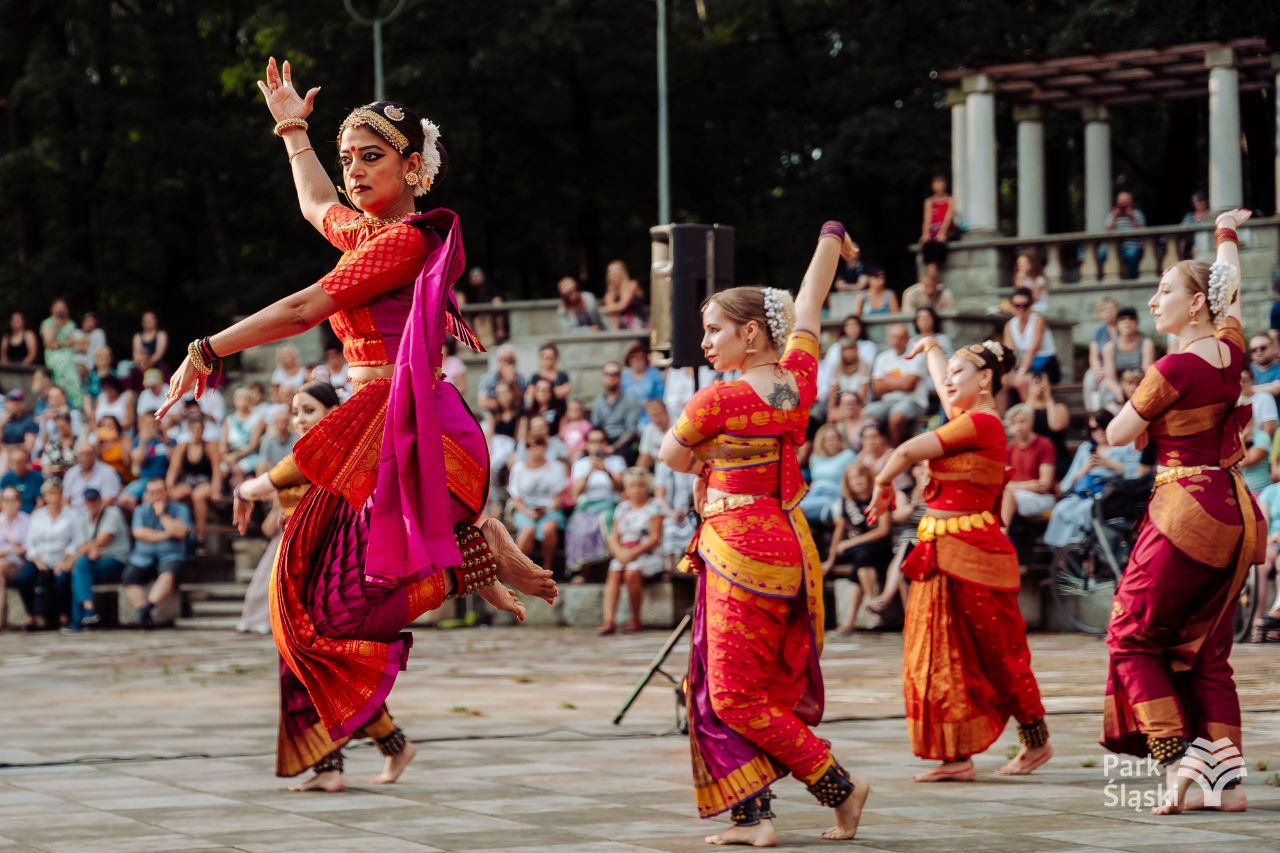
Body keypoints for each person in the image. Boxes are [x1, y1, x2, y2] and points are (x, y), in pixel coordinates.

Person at [160, 60, 554, 776]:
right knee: (304, 602)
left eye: (371, 157)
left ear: (412, 167)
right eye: (348, 160)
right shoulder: (368, 235)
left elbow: (304, 308)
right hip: (375, 427)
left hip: (412, 429)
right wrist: (292, 129)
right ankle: (467, 565)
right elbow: (317, 205)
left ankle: (471, 560)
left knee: (331, 607)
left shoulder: (406, 240)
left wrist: (207, 348)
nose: (354, 171)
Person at [659, 222, 869, 844]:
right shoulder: (798, 379)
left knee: (730, 694)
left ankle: (839, 787)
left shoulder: (717, 401)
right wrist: (830, 238)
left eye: (714, 330)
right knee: (742, 683)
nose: (705, 342)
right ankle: (753, 817)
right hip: (786, 542)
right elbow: (811, 301)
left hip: (737, 550)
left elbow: (671, 455)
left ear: (750, 332)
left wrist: (710, 460)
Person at [1101, 208, 1264, 814]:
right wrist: (1225, 234)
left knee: (1131, 638)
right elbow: (1230, 289)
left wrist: (1138, 412)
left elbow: (1118, 434)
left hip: (1185, 514)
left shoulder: (1171, 368)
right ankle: (1227, 786)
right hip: (1234, 512)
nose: (1153, 301)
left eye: (1165, 290)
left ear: (1196, 304)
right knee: (1207, 650)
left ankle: (1176, 767)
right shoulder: (1231, 350)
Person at [867, 334, 1051, 783]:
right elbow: (942, 383)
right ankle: (956, 756)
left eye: (958, 374)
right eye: (947, 375)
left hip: (974, 553)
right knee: (941, 655)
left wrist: (881, 484)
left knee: (997, 652)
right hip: (942, 551)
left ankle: (1036, 740)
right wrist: (932, 349)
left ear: (985, 379)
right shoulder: (965, 418)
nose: (947, 382)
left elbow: (906, 451)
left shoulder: (982, 424)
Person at [236, 383, 339, 636]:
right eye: (295, 412)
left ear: (333, 411)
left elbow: (259, 486)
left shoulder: (309, 453)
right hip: (325, 546)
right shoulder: (342, 449)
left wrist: (240, 492)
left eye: (308, 411)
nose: (299, 419)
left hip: (311, 547)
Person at [1043, 411, 1140, 549]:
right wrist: (1086, 468)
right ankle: (1064, 552)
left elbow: (1137, 473)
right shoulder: (1086, 448)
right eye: (1094, 429)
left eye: (1103, 427)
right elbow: (1069, 481)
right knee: (1061, 508)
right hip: (1084, 492)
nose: (1099, 432)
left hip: (1110, 494)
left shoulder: (1125, 446)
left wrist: (1109, 464)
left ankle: (1084, 550)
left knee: (1084, 511)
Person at [824, 462, 892, 634]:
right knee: (862, 556)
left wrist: (851, 543)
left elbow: (883, 530)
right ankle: (872, 605)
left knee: (861, 560)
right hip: (858, 551)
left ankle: (850, 621)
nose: (857, 481)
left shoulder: (879, 497)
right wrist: (830, 561)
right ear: (847, 482)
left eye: (860, 476)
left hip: (879, 547)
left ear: (869, 478)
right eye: (852, 478)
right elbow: (839, 532)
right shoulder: (845, 502)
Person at [599, 468, 664, 634]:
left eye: (640, 485)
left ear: (647, 487)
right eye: (632, 486)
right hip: (625, 553)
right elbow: (614, 536)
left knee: (631, 572)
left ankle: (635, 619)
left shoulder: (654, 507)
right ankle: (609, 620)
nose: (636, 490)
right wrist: (620, 552)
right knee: (614, 570)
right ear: (626, 489)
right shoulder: (622, 508)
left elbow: (655, 538)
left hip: (647, 554)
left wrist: (632, 553)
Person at [14, 479, 80, 630]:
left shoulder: (72, 516)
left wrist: (64, 559)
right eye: (50, 494)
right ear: (45, 497)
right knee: (24, 578)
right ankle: (31, 616)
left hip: (62, 559)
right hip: (40, 559)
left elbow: (76, 542)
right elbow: (30, 543)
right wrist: (37, 561)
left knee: (62, 579)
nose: (54, 497)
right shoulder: (37, 516)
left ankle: (64, 615)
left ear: (61, 495)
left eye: (56, 493)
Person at [63, 488, 131, 632]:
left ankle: (79, 619)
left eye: (95, 500)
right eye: (89, 501)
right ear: (85, 503)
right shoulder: (82, 519)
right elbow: (82, 547)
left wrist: (91, 548)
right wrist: (90, 549)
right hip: (91, 562)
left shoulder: (113, 513)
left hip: (115, 559)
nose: (92, 504)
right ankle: (87, 611)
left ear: (100, 500)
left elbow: (104, 539)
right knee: (80, 569)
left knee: (79, 571)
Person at [565, 428, 626, 577]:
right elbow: (576, 492)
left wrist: (606, 470)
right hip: (586, 506)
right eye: (593, 442)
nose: (597, 445)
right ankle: (581, 571)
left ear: (606, 443)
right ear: (587, 444)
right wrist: (590, 471)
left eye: (600, 441)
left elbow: (622, 487)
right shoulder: (580, 464)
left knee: (606, 521)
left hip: (610, 504)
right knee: (578, 526)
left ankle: (611, 568)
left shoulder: (616, 461)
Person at [507, 433, 568, 581]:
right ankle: (519, 570)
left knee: (549, 529)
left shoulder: (556, 467)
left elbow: (559, 497)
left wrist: (545, 510)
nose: (533, 448)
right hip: (525, 509)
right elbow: (516, 499)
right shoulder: (518, 468)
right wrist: (528, 512)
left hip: (550, 509)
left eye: (538, 443)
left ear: (545, 446)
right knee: (527, 531)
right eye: (529, 445)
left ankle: (547, 568)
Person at [866, 323, 928, 446]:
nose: (896, 341)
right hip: (887, 402)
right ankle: (879, 449)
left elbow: (908, 386)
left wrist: (886, 380)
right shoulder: (882, 357)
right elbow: (877, 388)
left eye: (900, 337)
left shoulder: (917, 356)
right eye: (893, 337)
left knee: (896, 416)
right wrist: (900, 381)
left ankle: (894, 450)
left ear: (907, 339)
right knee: (867, 413)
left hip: (914, 401)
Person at [166, 415, 221, 547]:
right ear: (190, 430)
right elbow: (173, 469)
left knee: (198, 496)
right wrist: (168, 487)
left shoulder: (210, 446)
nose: (197, 431)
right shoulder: (182, 447)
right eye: (194, 428)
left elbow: (216, 471)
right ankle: (177, 530)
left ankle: (200, 535)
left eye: (200, 428)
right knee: (175, 495)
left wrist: (215, 490)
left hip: (205, 481)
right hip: (187, 481)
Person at [1001, 405, 1057, 528]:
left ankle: (1002, 533)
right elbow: (1003, 483)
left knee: (1007, 496)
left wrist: (1014, 486)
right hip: (1017, 496)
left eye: (1022, 421)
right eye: (1014, 423)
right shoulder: (1010, 449)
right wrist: (1027, 485)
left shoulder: (1044, 445)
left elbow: (1044, 485)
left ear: (1030, 422)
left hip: (1041, 499)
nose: (1018, 426)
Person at [1003, 287, 1060, 402]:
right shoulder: (1010, 325)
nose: (1021, 309)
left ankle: (1029, 411)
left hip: (1046, 364)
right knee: (1002, 382)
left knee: (1022, 382)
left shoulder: (1038, 320)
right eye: (1017, 305)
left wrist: (1021, 372)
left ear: (1031, 305)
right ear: (1012, 306)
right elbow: (1010, 352)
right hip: (1028, 364)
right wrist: (1008, 371)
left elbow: (1033, 350)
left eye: (1025, 305)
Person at [800, 424, 855, 525]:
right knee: (799, 504)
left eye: (833, 438)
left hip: (835, 495)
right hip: (815, 493)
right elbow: (814, 481)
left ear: (839, 440)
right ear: (821, 442)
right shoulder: (815, 458)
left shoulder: (847, 455)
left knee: (801, 508)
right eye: (826, 439)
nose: (830, 442)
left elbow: (851, 479)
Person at [1101, 307, 1155, 405]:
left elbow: (1147, 371)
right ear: (1117, 324)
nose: (1127, 322)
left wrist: (1137, 391)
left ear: (1137, 322)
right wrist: (1120, 393)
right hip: (1118, 387)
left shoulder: (1146, 343)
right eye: (1122, 319)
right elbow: (1110, 378)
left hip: (1140, 385)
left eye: (1131, 319)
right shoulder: (1109, 347)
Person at [591, 362, 641, 460]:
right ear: (603, 378)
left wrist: (613, 447)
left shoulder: (630, 401)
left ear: (620, 378)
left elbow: (631, 431)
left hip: (623, 442)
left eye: (615, 374)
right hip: (603, 440)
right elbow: (595, 427)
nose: (611, 377)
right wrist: (600, 445)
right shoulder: (598, 401)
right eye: (608, 374)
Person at [41, 298, 82, 408]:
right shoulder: (47, 323)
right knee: (62, 363)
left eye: (62, 307)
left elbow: (72, 342)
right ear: (52, 309)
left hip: (69, 353)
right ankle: (61, 397)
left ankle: (75, 403)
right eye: (57, 307)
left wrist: (58, 344)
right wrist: (56, 327)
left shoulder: (71, 324)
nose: (60, 310)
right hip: (53, 354)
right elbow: (49, 343)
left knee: (73, 366)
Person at [0, 487, 30, 623]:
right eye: (5, 500)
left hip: (19, 564)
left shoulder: (26, 520)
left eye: (12, 499)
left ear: (19, 502)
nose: (9, 503)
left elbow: (27, 548)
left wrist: (9, 551)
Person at [1085, 297, 1121, 412]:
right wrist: (1097, 370)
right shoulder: (1099, 332)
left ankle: (1104, 412)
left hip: (1116, 367)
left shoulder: (1122, 329)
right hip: (1100, 368)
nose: (1108, 312)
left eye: (1111, 309)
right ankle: (1092, 413)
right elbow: (1093, 355)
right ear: (1099, 314)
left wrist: (1106, 370)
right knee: (1089, 378)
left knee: (1104, 385)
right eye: (1104, 310)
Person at [63, 442, 122, 509]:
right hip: (74, 513)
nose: (85, 458)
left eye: (88, 454)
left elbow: (109, 500)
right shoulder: (71, 473)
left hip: (101, 512)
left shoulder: (108, 472)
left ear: (95, 454)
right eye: (81, 454)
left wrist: (89, 514)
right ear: (77, 456)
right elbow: (65, 500)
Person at [456, 266, 508, 342]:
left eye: (477, 276)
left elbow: (497, 301)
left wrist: (495, 302)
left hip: (490, 316)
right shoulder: (468, 291)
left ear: (483, 277)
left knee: (498, 312)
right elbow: (462, 304)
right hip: (474, 318)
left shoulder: (491, 288)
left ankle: (500, 331)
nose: (475, 278)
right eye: (473, 277)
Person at [1104, 191, 1148, 280]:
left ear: (1131, 202)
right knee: (1102, 254)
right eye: (1121, 202)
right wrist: (1115, 217)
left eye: (1125, 201)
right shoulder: (1112, 214)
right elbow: (1108, 230)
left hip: (1132, 244)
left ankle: (1130, 280)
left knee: (1131, 255)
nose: (1123, 205)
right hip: (1114, 245)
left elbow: (1141, 231)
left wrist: (1131, 217)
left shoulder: (1137, 213)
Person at [477, 344, 527, 414]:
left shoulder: (520, 378)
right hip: (494, 416)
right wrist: (504, 403)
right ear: (498, 361)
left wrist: (512, 383)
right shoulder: (488, 378)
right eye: (505, 360)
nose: (508, 363)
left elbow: (520, 403)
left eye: (511, 360)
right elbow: (482, 403)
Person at [601, 260, 649, 330]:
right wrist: (615, 331)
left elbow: (622, 305)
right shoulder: (609, 294)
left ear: (624, 272)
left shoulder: (632, 285)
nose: (614, 274)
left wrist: (602, 309)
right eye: (611, 271)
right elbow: (612, 312)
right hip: (623, 326)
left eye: (617, 270)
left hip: (640, 323)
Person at [919, 174, 955, 267]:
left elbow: (948, 218)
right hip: (933, 230)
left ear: (944, 184)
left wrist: (942, 233)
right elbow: (927, 219)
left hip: (946, 231)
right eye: (935, 183)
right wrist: (925, 234)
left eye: (940, 183)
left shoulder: (950, 200)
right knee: (927, 242)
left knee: (939, 243)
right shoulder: (929, 201)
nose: (938, 186)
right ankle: (931, 268)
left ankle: (935, 267)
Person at [1, 448, 43, 514]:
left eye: (20, 462)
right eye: (13, 461)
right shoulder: (6, 478)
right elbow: (1, 501)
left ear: (27, 462)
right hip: (11, 515)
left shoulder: (37, 477)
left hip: (31, 515)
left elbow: (40, 502)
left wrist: (32, 517)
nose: (16, 464)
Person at [39, 412, 79, 479]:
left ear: (70, 424)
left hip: (75, 479)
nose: (60, 429)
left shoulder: (79, 442)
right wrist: (56, 469)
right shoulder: (52, 444)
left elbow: (80, 464)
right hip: (55, 480)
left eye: (62, 426)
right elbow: (45, 466)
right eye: (57, 427)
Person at [132, 311, 170, 380]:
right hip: (141, 366)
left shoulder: (161, 334)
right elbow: (136, 355)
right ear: (142, 322)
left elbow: (159, 354)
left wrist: (148, 363)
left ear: (156, 321)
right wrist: (142, 364)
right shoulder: (137, 336)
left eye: (151, 319)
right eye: (146, 319)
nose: (149, 321)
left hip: (157, 366)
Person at [1, 389, 38, 457]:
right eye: (10, 402)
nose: (12, 405)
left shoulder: (29, 422)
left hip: (19, 457)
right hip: (4, 455)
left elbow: (29, 446)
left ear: (22, 404)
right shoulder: (4, 421)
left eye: (16, 402)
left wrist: (7, 448)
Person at [1240, 369, 1278, 436]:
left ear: (1253, 381)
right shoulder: (1230, 401)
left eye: (1244, 380)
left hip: (1257, 440)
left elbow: (1269, 429)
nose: (1241, 384)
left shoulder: (1264, 398)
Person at [1179, 191, 1213, 260]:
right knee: (1181, 243)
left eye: (1201, 201)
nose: (1199, 204)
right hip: (1190, 240)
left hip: (1203, 240)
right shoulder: (1189, 216)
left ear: (1206, 202)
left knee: (1195, 248)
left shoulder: (1210, 215)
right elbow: (1180, 228)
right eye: (1196, 201)